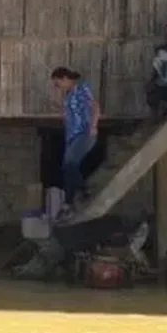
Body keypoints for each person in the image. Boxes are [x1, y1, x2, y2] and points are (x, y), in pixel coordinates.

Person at [51, 67, 101, 219]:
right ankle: (68, 204)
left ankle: (84, 189)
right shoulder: (68, 95)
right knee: (67, 169)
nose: (57, 87)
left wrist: (93, 126)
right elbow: (69, 113)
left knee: (69, 164)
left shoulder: (81, 88)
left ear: (65, 78)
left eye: (58, 83)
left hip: (84, 134)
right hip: (72, 137)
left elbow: (95, 107)